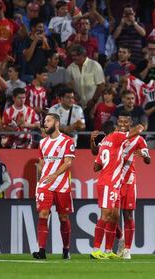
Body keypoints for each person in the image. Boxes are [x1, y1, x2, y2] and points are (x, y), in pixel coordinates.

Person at [90, 120, 144, 259]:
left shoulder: (104, 143)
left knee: (114, 217)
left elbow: (96, 167)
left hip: (113, 183)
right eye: (117, 129)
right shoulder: (115, 137)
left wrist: (112, 160)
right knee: (106, 215)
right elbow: (136, 131)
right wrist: (141, 125)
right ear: (113, 130)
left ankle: (108, 251)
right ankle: (96, 249)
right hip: (109, 183)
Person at [32, 113, 75, 260]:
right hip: (45, 184)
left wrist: (55, 175)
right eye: (45, 121)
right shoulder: (42, 143)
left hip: (61, 185)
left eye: (48, 121)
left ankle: (66, 249)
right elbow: (41, 164)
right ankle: (42, 251)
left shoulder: (67, 141)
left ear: (57, 123)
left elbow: (68, 162)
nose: (45, 123)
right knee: (43, 214)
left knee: (63, 217)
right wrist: (39, 182)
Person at [116, 114, 151, 259]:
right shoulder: (113, 137)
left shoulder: (138, 139)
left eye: (126, 121)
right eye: (121, 121)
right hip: (114, 180)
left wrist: (144, 156)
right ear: (117, 122)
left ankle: (127, 249)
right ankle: (121, 239)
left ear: (130, 123)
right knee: (111, 216)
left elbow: (148, 160)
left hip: (129, 181)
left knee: (128, 215)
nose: (123, 123)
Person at [67, 44, 105, 111]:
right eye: (72, 56)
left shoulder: (95, 65)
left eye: (75, 56)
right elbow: (67, 83)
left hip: (96, 106)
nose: (73, 58)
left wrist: (93, 101)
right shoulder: (71, 67)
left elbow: (101, 85)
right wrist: (74, 93)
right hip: (79, 106)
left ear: (83, 55)